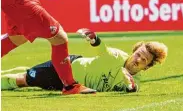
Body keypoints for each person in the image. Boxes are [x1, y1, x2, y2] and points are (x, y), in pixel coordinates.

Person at [1, 28, 168, 92]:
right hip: (67, 67)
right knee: (24, 80)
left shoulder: (134, 81)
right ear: (135, 50)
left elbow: (132, 89)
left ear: (146, 67)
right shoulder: (117, 56)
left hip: (72, 86)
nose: (138, 59)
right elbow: (103, 49)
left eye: (144, 60)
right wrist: (95, 39)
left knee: (30, 77)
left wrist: (131, 86)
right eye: (138, 53)